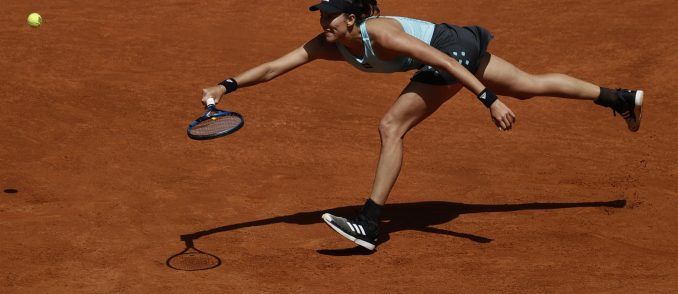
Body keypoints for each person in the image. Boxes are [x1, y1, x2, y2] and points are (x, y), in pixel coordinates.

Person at [201, 0, 644, 251]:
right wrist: (226, 86)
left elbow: (442, 60)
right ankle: (619, 97)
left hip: (452, 51)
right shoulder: (330, 44)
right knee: (527, 85)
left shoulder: (383, 35)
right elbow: (276, 66)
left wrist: (487, 100)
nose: (322, 24)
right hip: (456, 46)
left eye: (329, 17)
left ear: (351, 18)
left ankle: (370, 224)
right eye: (320, 17)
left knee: (391, 126)